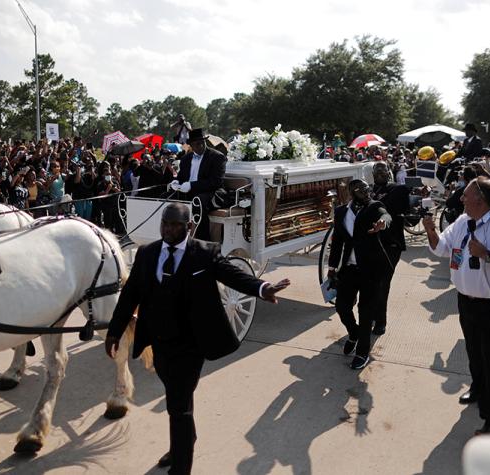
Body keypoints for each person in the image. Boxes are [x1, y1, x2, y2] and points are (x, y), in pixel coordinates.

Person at [104, 203, 290, 475]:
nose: (168, 229)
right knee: (177, 400)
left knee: (178, 407)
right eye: (165, 224)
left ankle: (181, 467)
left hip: (190, 345)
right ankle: (184, 442)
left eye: (175, 225)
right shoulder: (147, 254)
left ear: (189, 227)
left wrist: (262, 288)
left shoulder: (204, 254)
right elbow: (131, 294)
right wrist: (114, 330)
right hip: (158, 342)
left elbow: (232, 274)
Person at [423, 177, 490, 434]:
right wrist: (430, 230)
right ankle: (478, 388)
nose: (460, 199)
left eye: (465, 195)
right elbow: (441, 248)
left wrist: (488, 255)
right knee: (474, 352)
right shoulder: (462, 222)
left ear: (480, 199)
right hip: (467, 301)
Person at [327, 179, 392, 370]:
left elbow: (386, 215)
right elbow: (337, 242)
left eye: (366, 188)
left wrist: (383, 223)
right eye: (360, 189)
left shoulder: (374, 207)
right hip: (349, 268)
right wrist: (332, 266)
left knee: (366, 312)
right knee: (342, 307)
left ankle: (363, 352)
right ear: (351, 193)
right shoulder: (341, 212)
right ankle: (353, 333)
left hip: (371, 269)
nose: (366, 192)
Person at [371, 162, 410, 335]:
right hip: (371, 244)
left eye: (383, 170)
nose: (380, 173)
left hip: (391, 244)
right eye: (376, 170)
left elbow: (396, 207)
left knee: (382, 283)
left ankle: (380, 321)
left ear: (389, 173)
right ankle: (372, 314)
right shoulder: (369, 190)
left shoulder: (397, 189)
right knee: (372, 283)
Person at [171, 128, 226, 240]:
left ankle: (203, 240)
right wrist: (176, 182)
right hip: (190, 192)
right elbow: (181, 177)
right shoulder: (186, 158)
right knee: (166, 196)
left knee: (198, 200)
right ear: (191, 145)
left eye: (202, 142)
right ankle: (172, 234)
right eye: (196, 144)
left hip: (211, 193)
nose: (200, 146)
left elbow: (216, 182)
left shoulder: (217, 157)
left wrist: (192, 185)